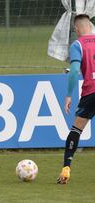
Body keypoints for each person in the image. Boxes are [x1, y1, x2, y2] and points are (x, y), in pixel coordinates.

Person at [57, 14, 95, 184]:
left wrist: (68, 95)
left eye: (74, 29)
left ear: (78, 28)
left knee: (76, 130)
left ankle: (66, 169)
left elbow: (73, 71)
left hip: (90, 93)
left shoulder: (77, 45)